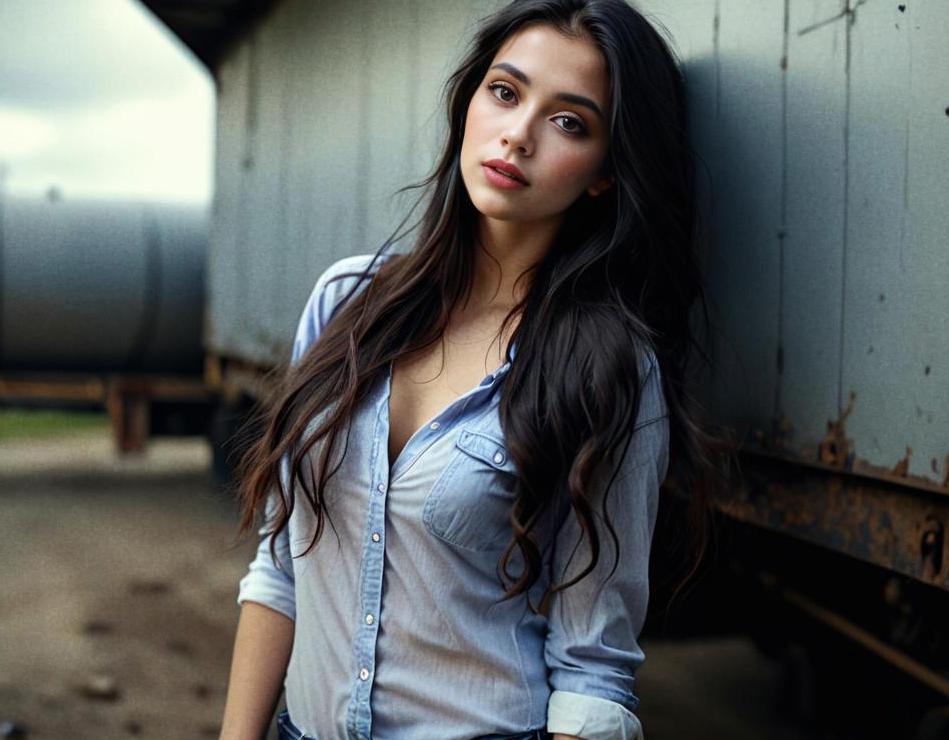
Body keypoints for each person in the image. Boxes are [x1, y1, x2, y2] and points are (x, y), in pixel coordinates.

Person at [219, 1, 723, 739]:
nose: (517, 134)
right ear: (468, 104)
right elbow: (281, 566)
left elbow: (593, 665)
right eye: (506, 92)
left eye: (569, 122)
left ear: (605, 174)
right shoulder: (344, 305)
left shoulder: (607, 368)